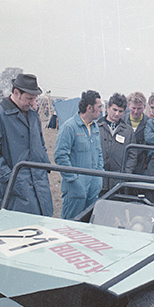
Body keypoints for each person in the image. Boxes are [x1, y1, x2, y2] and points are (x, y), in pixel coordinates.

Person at [0, 72, 53, 215]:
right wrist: (12, 180)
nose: (33, 102)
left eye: (35, 98)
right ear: (16, 93)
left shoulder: (33, 116)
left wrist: (44, 167)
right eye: (29, 98)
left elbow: (41, 145)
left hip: (40, 188)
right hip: (14, 192)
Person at [54, 89, 104, 220]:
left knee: (89, 224)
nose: (101, 110)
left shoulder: (95, 127)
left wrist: (99, 176)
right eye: (99, 107)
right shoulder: (69, 127)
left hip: (93, 188)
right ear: (89, 108)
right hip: (75, 190)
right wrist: (74, 180)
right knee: (71, 224)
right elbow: (60, 156)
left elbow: (98, 153)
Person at [97, 92, 138, 191]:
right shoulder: (96, 127)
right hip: (98, 177)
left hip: (118, 181)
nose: (116, 114)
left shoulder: (128, 131)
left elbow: (132, 154)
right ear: (108, 107)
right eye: (114, 110)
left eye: (120, 111)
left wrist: (126, 174)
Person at [123, 91, 149, 174]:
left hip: (141, 166)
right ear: (128, 106)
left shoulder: (149, 123)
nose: (136, 111)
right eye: (133, 108)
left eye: (139, 108)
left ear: (144, 107)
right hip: (123, 163)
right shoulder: (121, 121)